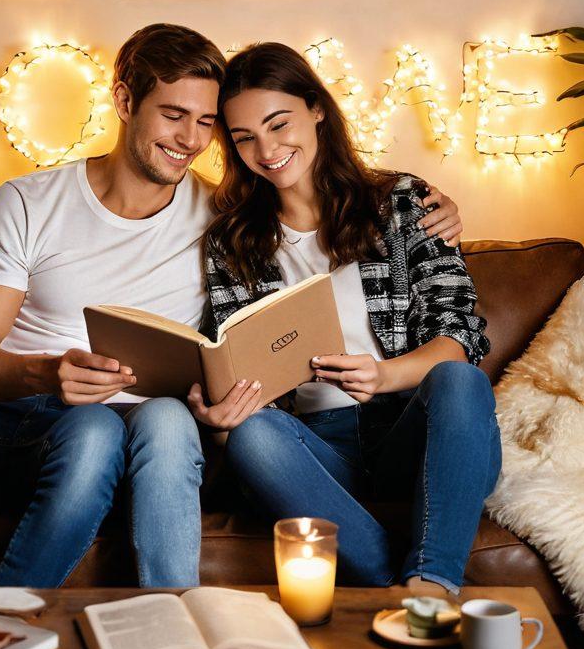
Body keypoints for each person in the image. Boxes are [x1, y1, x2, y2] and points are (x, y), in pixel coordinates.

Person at [0, 24, 465, 607]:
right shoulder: (28, 203)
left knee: (113, 426)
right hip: (0, 427)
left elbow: (306, 219)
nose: (189, 140)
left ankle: (31, 611)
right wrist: (43, 374)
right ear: (124, 100)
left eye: (207, 125)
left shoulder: (225, 221)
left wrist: (420, 202)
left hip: (122, 435)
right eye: (173, 114)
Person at [204, 41, 500, 596]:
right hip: (315, 447)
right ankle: (402, 588)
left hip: (411, 432)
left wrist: (383, 375)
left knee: (461, 381)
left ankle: (430, 585)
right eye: (244, 137)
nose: (266, 150)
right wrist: (224, 404)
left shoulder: (404, 202)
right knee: (251, 435)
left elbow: (461, 335)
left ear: (317, 109)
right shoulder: (233, 241)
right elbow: (239, 365)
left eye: (278, 123)